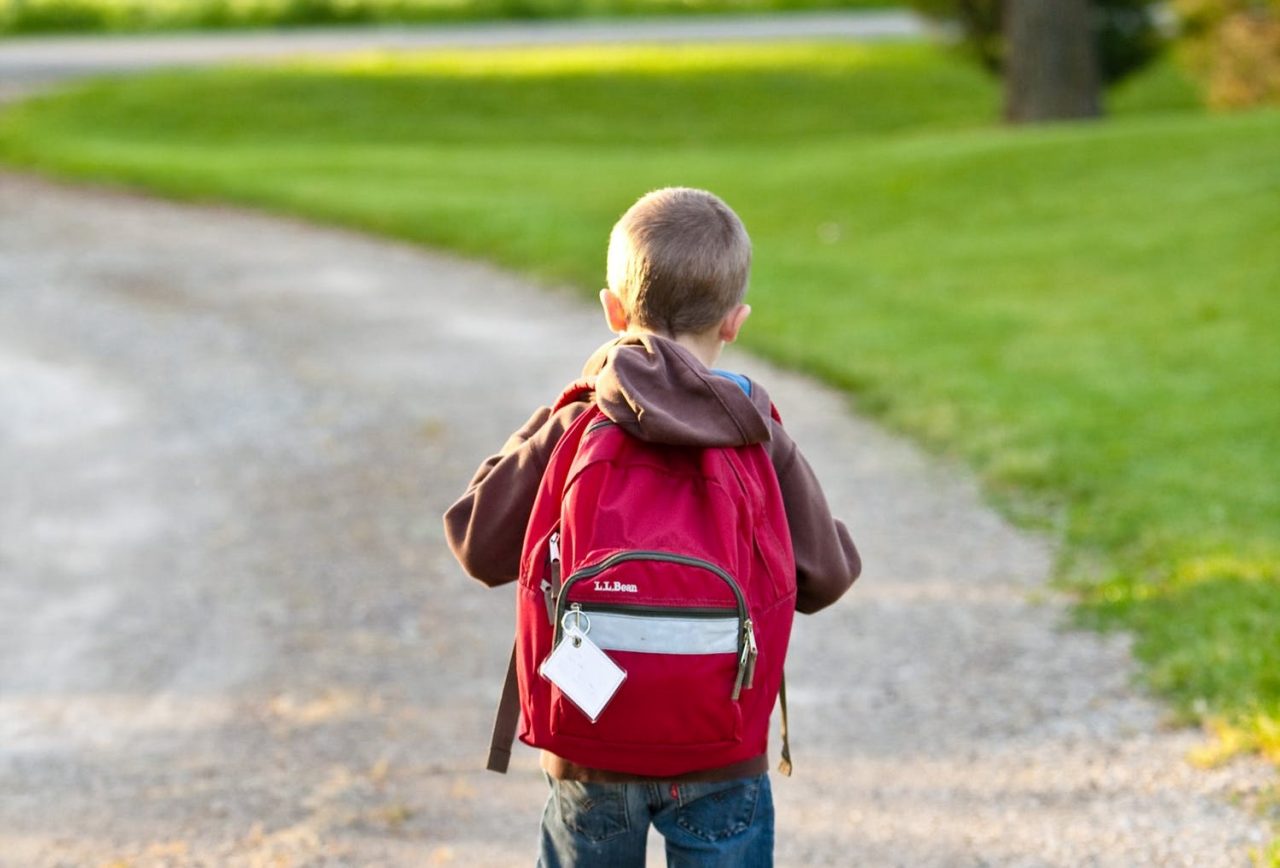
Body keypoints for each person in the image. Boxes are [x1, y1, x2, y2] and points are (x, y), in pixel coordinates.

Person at [443, 187, 860, 867]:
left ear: (612, 310)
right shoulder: (756, 432)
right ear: (735, 321)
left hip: (590, 745)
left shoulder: (580, 423)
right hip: (721, 750)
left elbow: (475, 542)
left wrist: (555, 414)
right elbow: (826, 579)